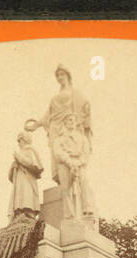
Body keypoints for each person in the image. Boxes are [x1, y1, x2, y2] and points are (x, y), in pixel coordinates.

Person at [26, 64, 95, 222]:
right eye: (57, 75)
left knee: (77, 170)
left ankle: (83, 205)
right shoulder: (54, 98)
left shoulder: (75, 93)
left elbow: (85, 108)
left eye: (62, 74)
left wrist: (82, 118)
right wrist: (37, 124)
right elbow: (48, 116)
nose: (59, 78)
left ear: (68, 75)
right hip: (57, 131)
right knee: (59, 164)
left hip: (71, 131)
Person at [7, 130, 43, 220]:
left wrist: (19, 158)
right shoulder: (19, 153)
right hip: (19, 181)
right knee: (19, 197)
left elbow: (33, 165)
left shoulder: (30, 150)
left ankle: (28, 212)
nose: (18, 143)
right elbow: (11, 178)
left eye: (20, 140)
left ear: (25, 140)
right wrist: (12, 167)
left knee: (27, 196)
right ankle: (19, 213)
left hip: (27, 179)